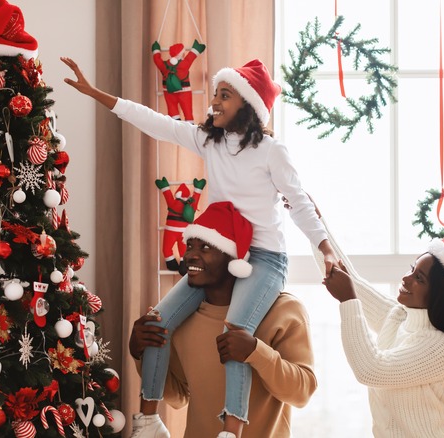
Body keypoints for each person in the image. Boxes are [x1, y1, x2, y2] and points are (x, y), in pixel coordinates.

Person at [60, 56, 337, 438]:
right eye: (215, 95)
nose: (215, 102)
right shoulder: (210, 141)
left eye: (225, 95)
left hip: (265, 259)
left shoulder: (273, 151)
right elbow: (157, 123)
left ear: (249, 105)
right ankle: (148, 421)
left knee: (235, 332)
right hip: (224, 252)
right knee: (157, 321)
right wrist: (97, 94)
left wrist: (325, 248)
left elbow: (300, 203)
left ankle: (232, 429)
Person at [129, 201, 317, 438]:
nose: (190, 256)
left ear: (234, 259)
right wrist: (140, 352)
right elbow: (179, 397)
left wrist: (256, 352)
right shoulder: (182, 318)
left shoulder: (284, 310)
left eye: (205, 247)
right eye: (189, 246)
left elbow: (302, 393)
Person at [322, 238, 444, 437]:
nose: (406, 279)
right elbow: (350, 282)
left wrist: (348, 301)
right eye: (411, 269)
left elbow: (371, 370)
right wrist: (315, 227)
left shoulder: (442, 348)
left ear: (439, 295)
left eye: (419, 278)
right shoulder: (400, 316)